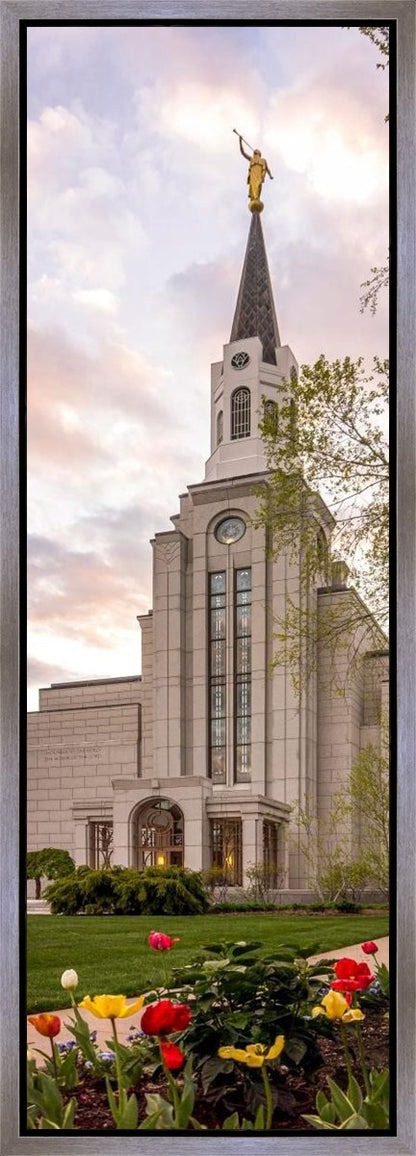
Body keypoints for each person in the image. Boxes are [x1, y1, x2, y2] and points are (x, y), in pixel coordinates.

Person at [238, 135, 273, 203]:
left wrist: (270, 175)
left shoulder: (263, 160)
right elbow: (243, 153)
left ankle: (256, 198)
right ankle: (255, 199)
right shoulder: (251, 159)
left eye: (257, 151)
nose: (255, 151)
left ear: (259, 153)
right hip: (253, 176)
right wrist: (240, 141)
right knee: (254, 188)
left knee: (258, 186)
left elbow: (267, 169)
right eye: (255, 151)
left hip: (259, 176)